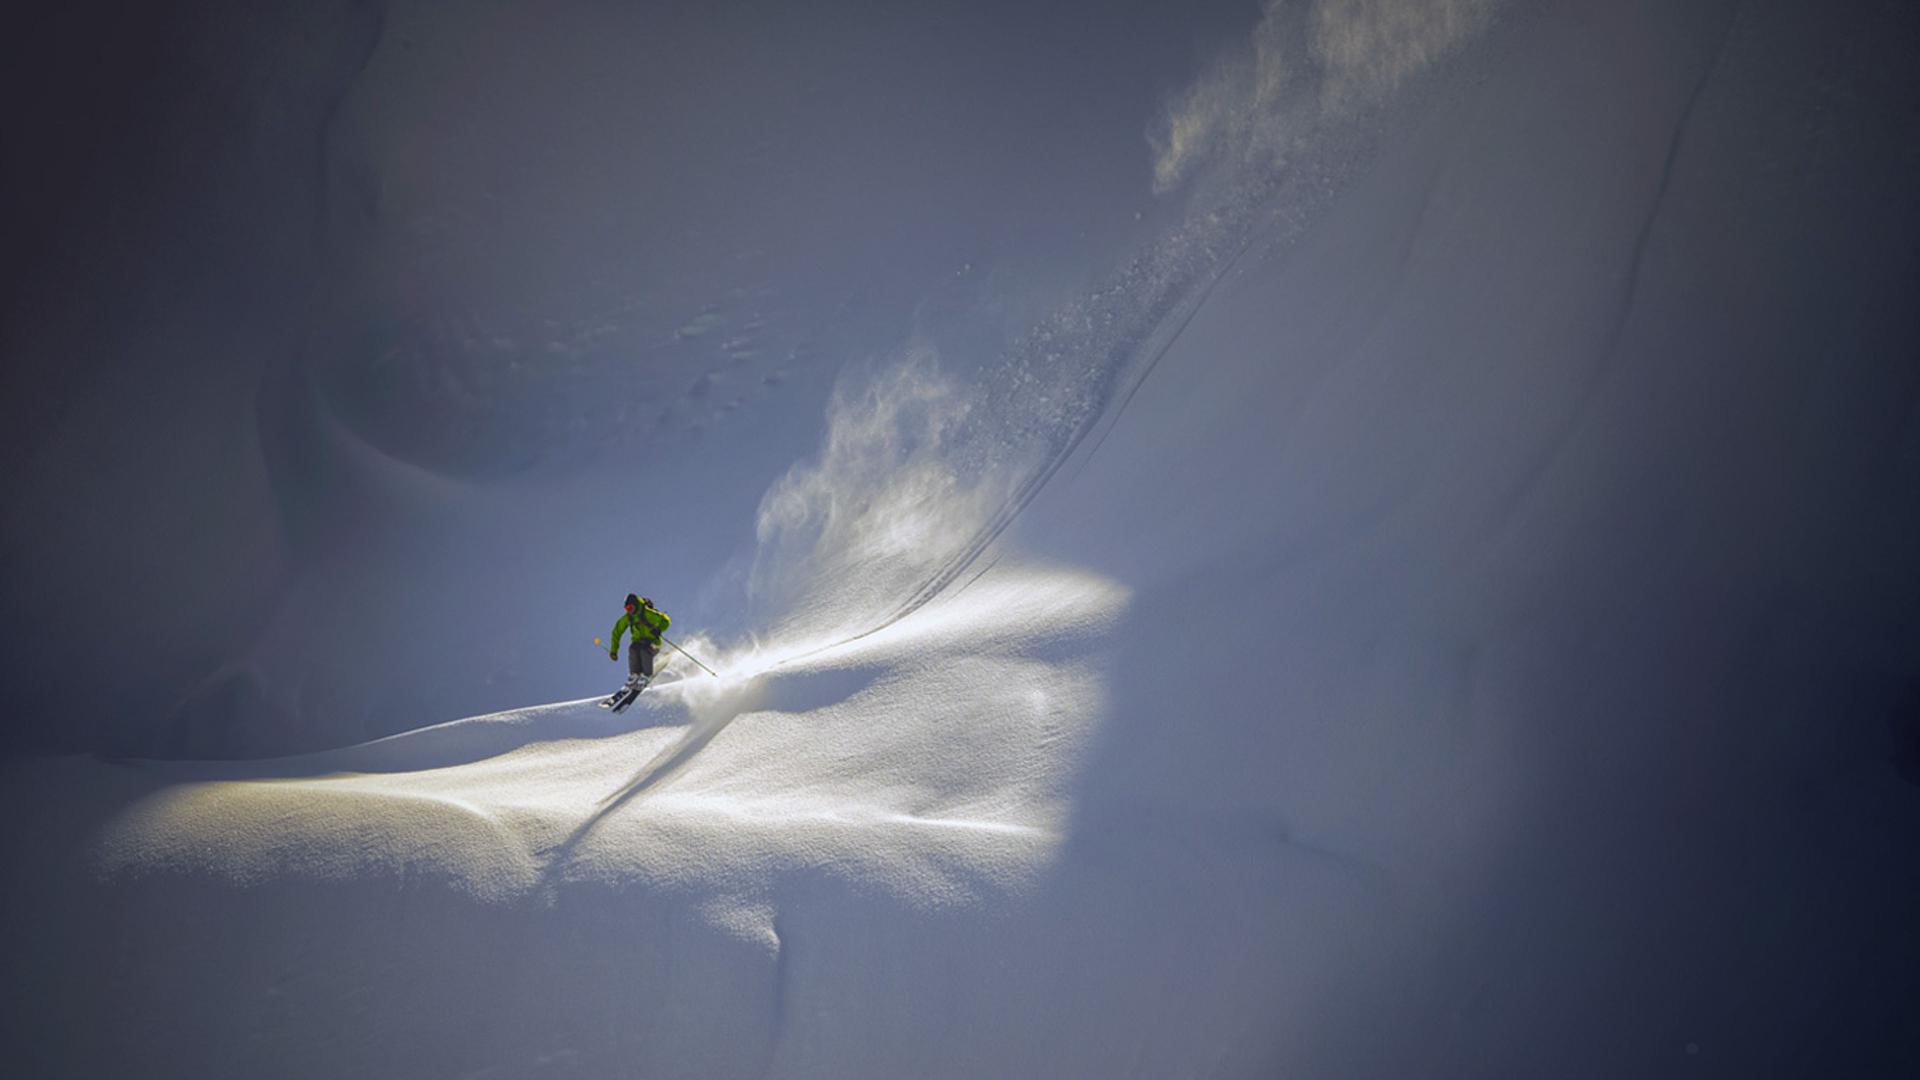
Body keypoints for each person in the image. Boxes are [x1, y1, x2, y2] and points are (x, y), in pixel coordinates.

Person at [610, 593, 671, 688]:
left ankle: (647, 675)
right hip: (638, 642)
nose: (629, 611)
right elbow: (616, 632)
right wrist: (614, 651)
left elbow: (666, 620)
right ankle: (634, 675)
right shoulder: (628, 617)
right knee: (633, 649)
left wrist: (659, 629)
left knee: (644, 649)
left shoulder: (647, 613)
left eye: (630, 608)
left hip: (653, 643)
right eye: (627, 609)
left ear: (635, 605)